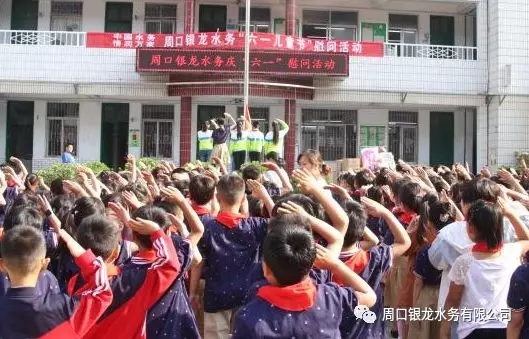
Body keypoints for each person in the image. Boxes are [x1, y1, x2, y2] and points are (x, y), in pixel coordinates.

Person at [231, 216, 377, 338]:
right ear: (312, 264)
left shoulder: (247, 317)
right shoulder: (331, 297)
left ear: (266, 269)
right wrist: (335, 264)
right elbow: (370, 296)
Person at [77, 205, 182, 339]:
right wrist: (157, 232)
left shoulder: (74, 283)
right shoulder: (134, 279)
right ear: (116, 252)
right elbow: (170, 265)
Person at [196, 174, 274, 339]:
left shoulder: (208, 227)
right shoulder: (254, 226)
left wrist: (193, 291)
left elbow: (198, 262)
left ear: (217, 197)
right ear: (243, 198)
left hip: (216, 293)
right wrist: (265, 197)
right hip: (247, 292)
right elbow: (282, 223)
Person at [0, 225, 112, 338]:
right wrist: (83, 256)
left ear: (2, 266)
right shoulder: (64, 309)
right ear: (44, 264)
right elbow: (102, 293)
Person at [440, 199, 529, 339]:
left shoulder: (464, 262)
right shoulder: (511, 252)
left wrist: (444, 331)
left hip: (473, 330)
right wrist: (509, 213)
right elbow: (526, 239)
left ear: (471, 228)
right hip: (505, 328)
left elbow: (452, 301)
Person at [336, 197, 411, 339]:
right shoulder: (373, 258)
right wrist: (385, 213)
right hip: (371, 333)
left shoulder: (321, 262)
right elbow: (404, 241)